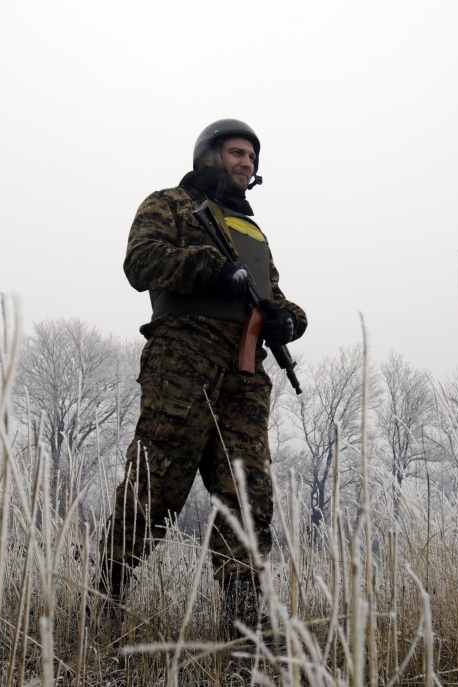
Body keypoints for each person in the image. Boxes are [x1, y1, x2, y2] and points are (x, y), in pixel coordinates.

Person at [99, 119, 307, 637]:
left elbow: (272, 296)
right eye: (238, 153)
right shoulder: (169, 204)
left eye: (253, 159)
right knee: (157, 486)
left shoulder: (253, 231)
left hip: (244, 375)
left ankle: (244, 624)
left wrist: (290, 320)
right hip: (182, 363)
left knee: (248, 498)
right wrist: (208, 266)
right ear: (210, 154)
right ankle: (104, 599)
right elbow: (139, 262)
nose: (247, 163)